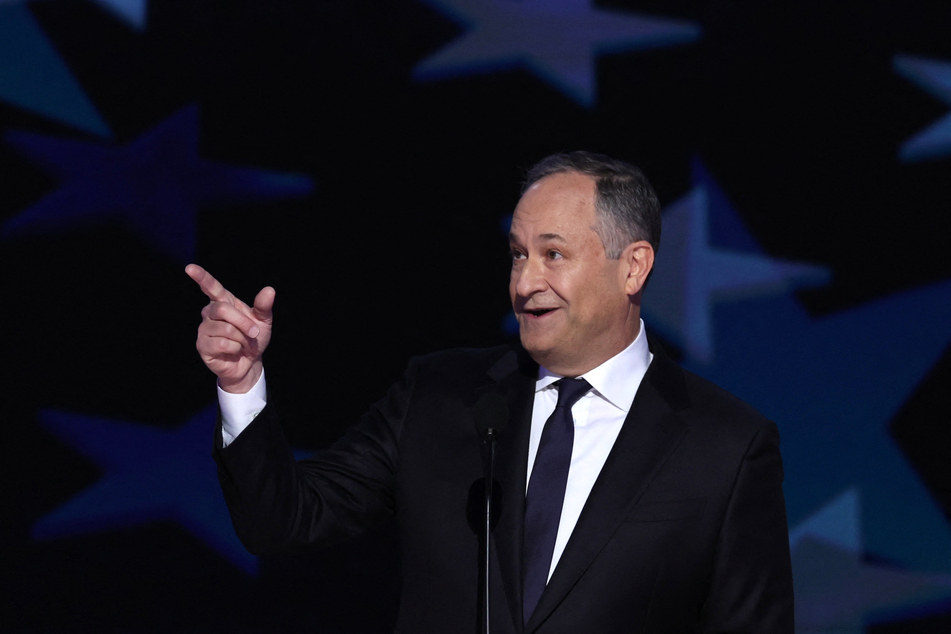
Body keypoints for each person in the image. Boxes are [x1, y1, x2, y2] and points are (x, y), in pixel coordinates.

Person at [187, 151, 794, 633]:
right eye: (518, 255)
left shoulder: (726, 446)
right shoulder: (439, 395)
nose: (526, 282)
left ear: (633, 267)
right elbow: (285, 522)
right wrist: (241, 385)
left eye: (553, 255)